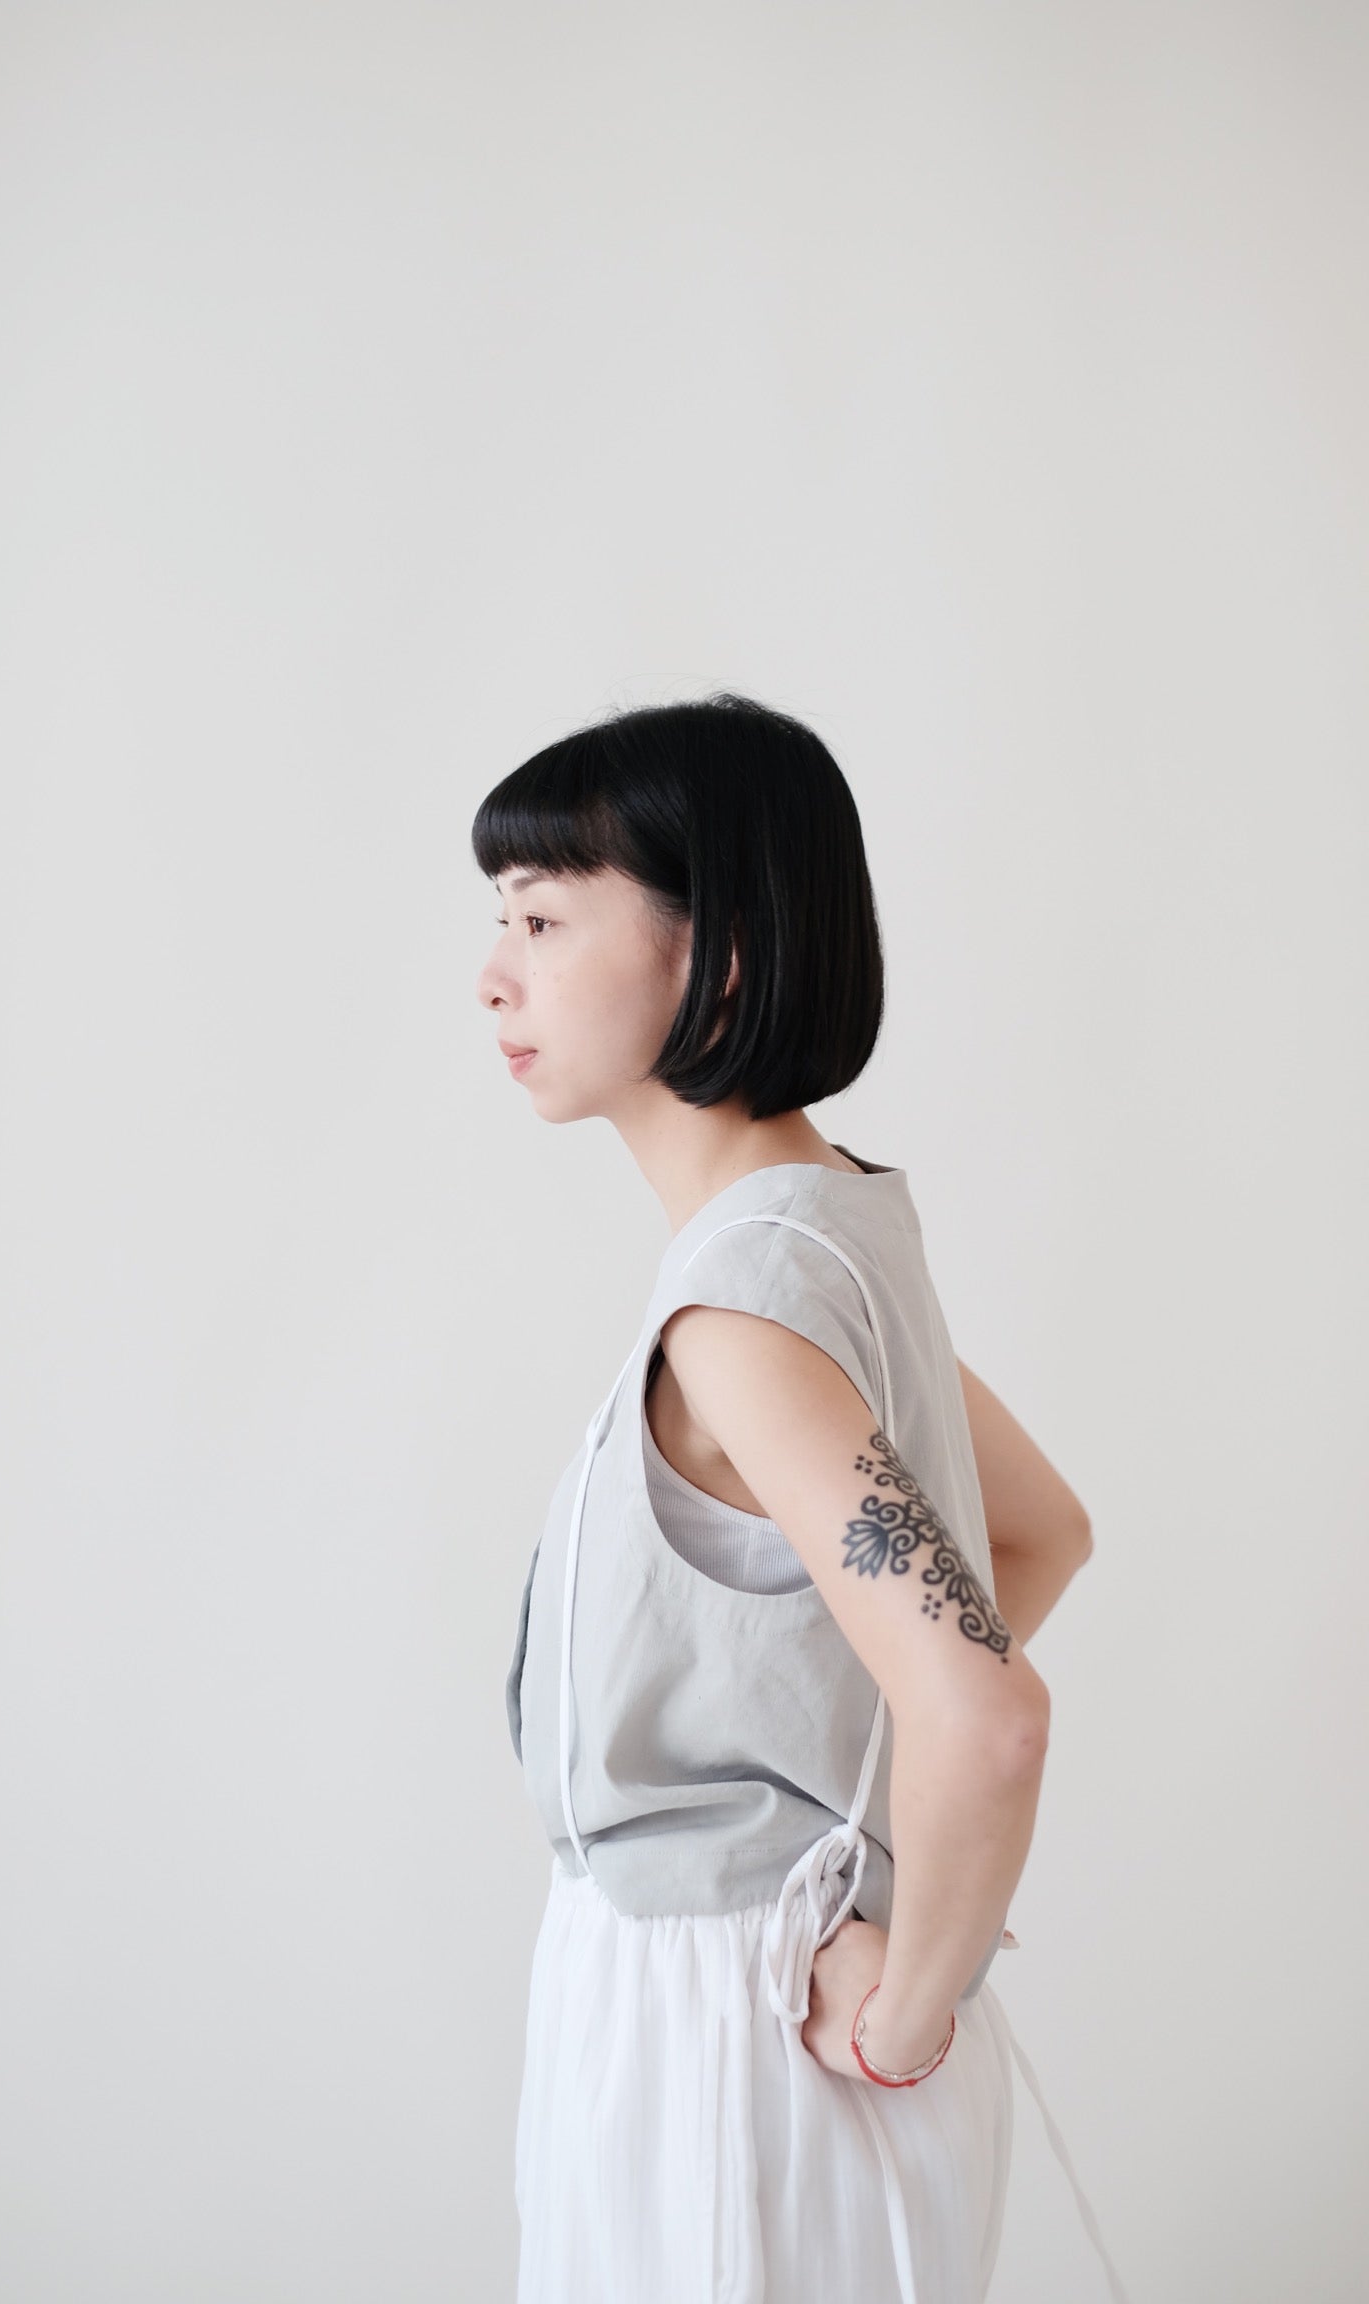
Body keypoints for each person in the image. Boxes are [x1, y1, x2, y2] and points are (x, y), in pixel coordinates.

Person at [472, 693, 1127, 2303]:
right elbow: (1035, 1531)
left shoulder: (742, 1312)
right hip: (755, 2010)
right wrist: (853, 1800)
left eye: (544, 919)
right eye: (500, 919)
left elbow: (986, 1711)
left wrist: (907, 2010)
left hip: (734, 2041)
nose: (494, 973)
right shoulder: (823, 1234)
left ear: (721, 954)